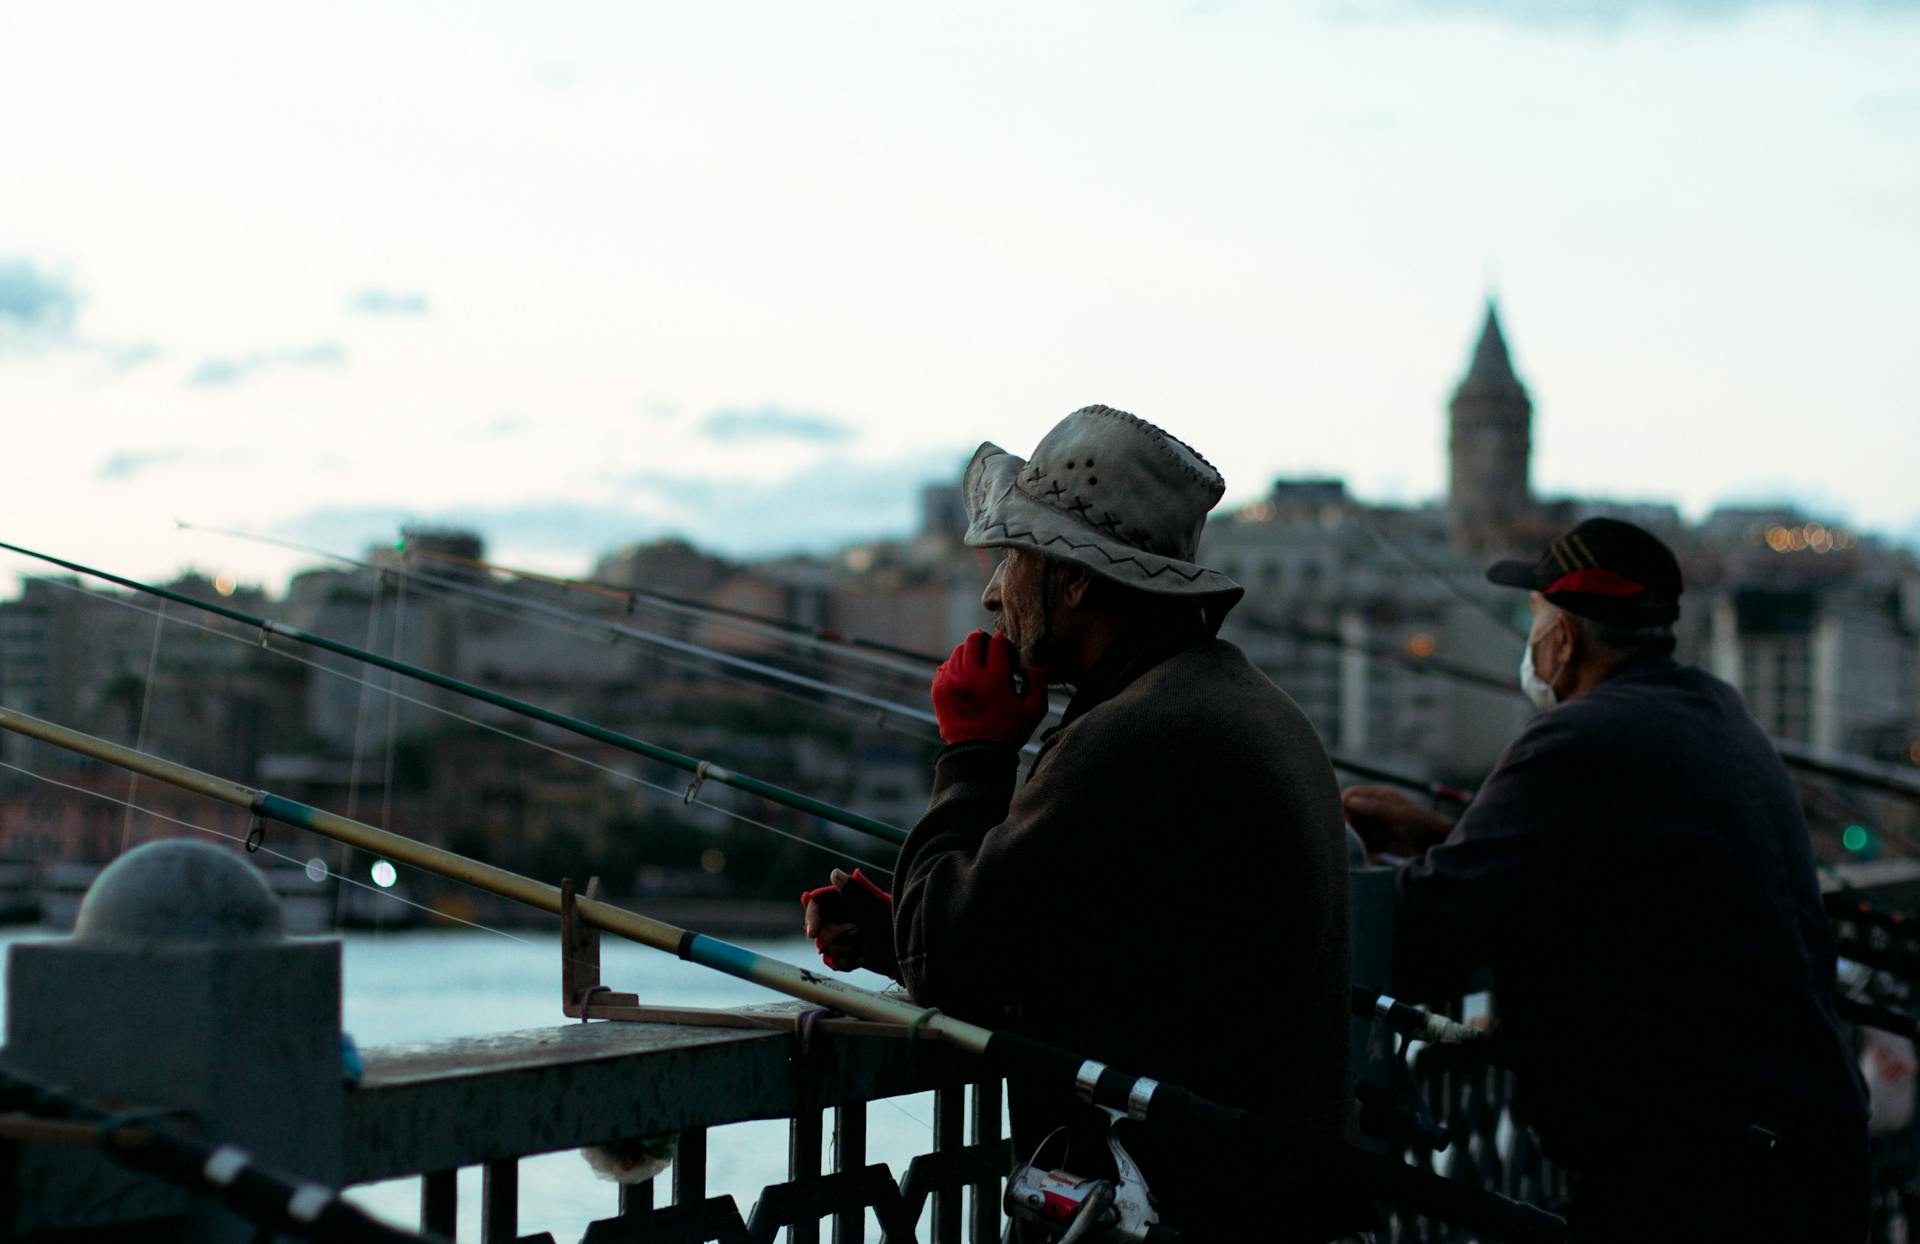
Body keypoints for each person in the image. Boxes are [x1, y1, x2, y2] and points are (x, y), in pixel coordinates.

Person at [802, 405, 1362, 1241]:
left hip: (1187, 1211)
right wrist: (898, 935)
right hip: (1266, 1200)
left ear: (1076, 581)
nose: (994, 593)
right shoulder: (1228, 700)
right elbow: (1111, 956)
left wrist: (975, 753)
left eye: (1012, 560)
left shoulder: (1139, 732)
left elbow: (946, 957)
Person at [1343, 517, 1871, 1242]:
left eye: (1534, 621)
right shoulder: (1714, 708)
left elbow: (1427, 932)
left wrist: (1344, 864)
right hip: (1795, 1142)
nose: (1530, 644)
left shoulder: (1583, 736)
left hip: (1706, 1174)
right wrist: (1444, 839)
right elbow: (1619, 878)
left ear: (1563, 638)